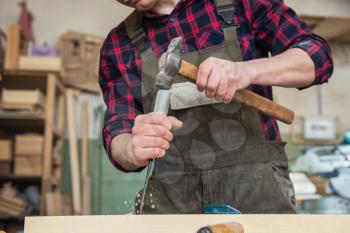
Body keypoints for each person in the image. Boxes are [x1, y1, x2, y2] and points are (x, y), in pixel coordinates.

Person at [99, 0, 333, 214]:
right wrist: (131, 148)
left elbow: (317, 57)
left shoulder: (242, 3)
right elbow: (118, 130)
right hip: (172, 200)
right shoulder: (118, 45)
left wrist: (247, 70)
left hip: (257, 189)